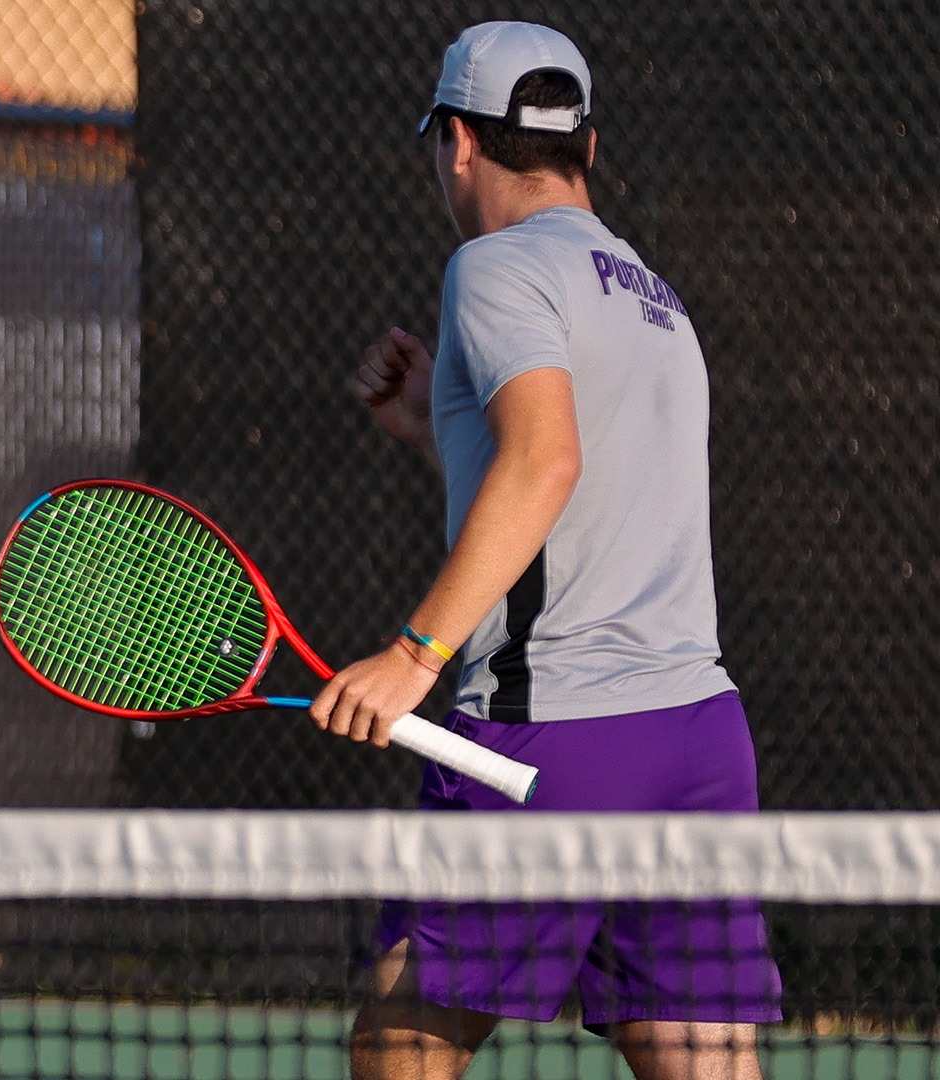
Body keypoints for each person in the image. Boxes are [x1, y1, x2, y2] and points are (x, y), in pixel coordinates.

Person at [309, 21, 782, 1080]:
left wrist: (413, 656)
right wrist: (441, 433)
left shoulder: (491, 267)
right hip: (697, 744)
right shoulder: (655, 298)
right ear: (589, 150)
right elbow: (580, 491)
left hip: (553, 739)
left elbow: (548, 466)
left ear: (460, 143)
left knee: (400, 1049)